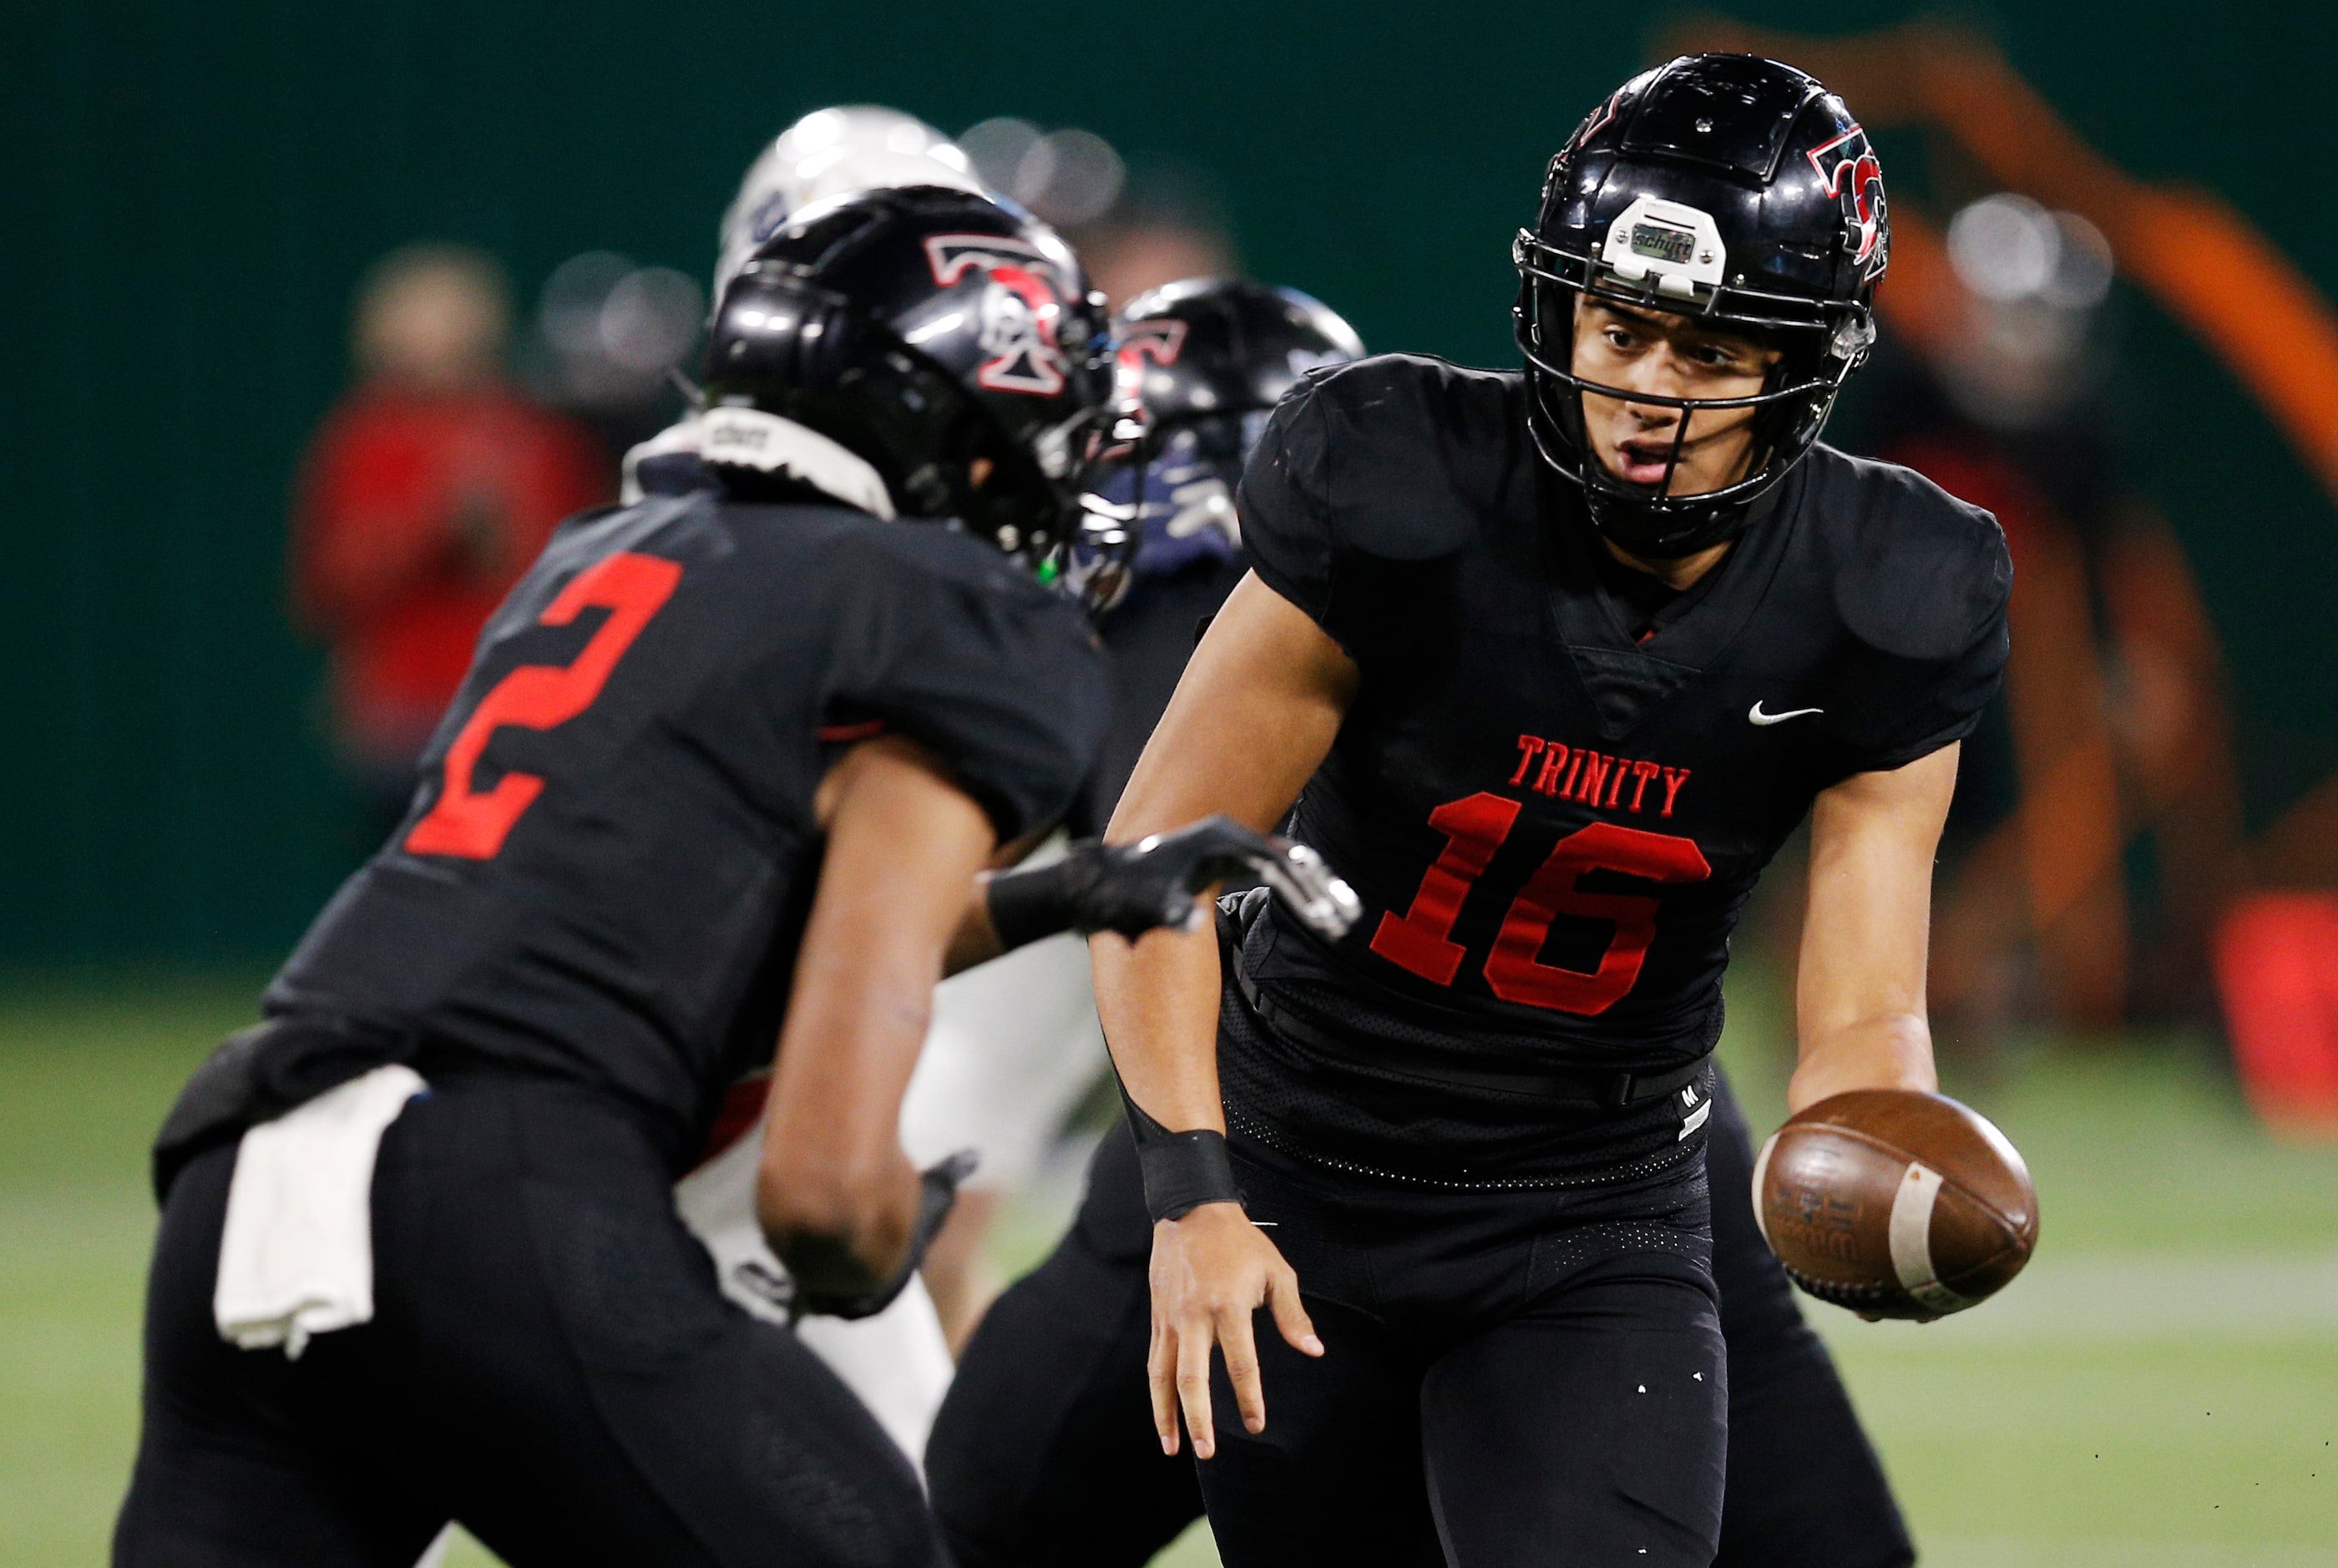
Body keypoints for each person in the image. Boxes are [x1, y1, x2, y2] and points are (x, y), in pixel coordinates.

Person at [113, 185, 1349, 1568]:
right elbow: (825, 1198)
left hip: (252, 1164)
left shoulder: (604, 552)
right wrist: (880, 1233)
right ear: (955, 424)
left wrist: (1068, 891)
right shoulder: (946, 613)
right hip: (501, 1187)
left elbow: (681, 928)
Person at [1083, 55, 2009, 1567]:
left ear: (1808, 363)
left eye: (1711, 353)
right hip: (1297, 1190)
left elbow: (1859, 1004)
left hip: (1590, 1229)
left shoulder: (1894, 591)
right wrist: (1189, 1197)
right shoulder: (1398, 485)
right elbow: (1155, 870)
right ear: (1557, 301)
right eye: (1623, 325)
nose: (1648, 390)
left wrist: (1873, 1138)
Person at [927, 279, 1917, 1565]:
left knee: (982, 1507)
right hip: (1616, 1122)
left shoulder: (1232, 594)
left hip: (1317, 1133)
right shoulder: (1466, 543)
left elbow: (1141, 876)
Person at [291, 243, 606, 847]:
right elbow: (329, 585)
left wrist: (496, 520)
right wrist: (432, 519)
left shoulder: (528, 436)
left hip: (510, 706)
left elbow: (568, 577)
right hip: (401, 717)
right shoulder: (365, 440)